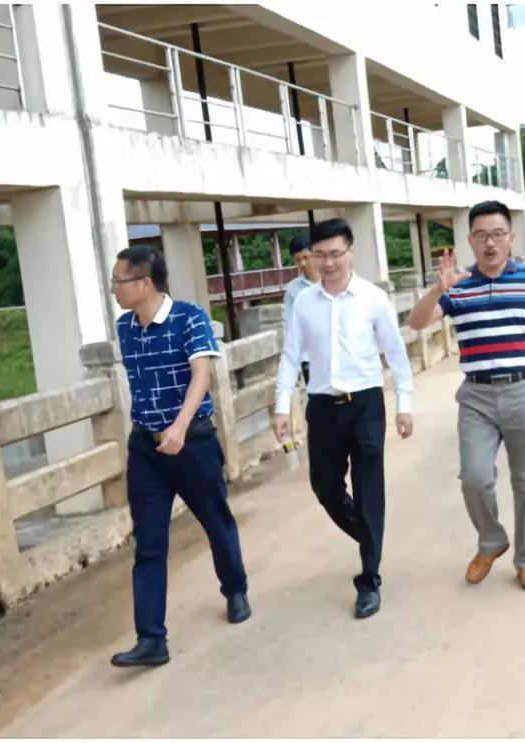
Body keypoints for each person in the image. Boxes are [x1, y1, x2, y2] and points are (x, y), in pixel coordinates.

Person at [408, 200, 525, 591]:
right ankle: (491, 540)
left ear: (510, 238)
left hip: (524, 390)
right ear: (470, 240)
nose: (490, 243)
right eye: (481, 235)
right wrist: (438, 289)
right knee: (475, 477)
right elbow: (416, 323)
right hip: (476, 396)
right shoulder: (458, 286)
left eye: (497, 234)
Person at [108, 246, 250, 668]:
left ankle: (235, 589)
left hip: (192, 443)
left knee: (216, 522)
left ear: (143, 283)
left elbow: (202, 374)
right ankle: (151, 639)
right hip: (145, 449)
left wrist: (180, 427)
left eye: (118, 282)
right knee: (149, 543)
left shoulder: (189, 317)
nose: (113, 290)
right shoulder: (125, 327)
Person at [272, 218, 414, 619]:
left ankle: (369, 578)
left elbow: (395, 352)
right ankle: (370, 535)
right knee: (325, 488)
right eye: (320, 255)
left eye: (336, 254)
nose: (329, 262)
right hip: (322, 406)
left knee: (369, 490)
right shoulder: (304, 302)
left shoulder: (372, 298)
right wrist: (282, 405)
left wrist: (404, 404)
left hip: (366, 404)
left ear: (351, 251)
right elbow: (291, 355)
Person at [283, 232, 319, 384]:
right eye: (298, 260)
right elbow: (290, 326)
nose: (303, 263)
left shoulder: (332, 281)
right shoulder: (293, 289)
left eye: (306, 257)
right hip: (308, 358)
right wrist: (293, 363)